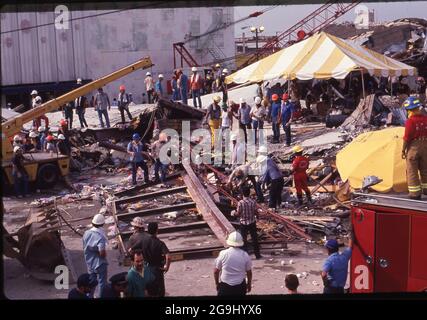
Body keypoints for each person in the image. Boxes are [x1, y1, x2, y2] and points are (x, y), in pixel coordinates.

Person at [401, 96, 427, 199]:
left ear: (409, 110)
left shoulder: (410, 121)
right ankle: (426, 189)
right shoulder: (426, 119)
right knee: (425, 169)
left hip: (413, 147)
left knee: (412, 170)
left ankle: (415, 194)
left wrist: (403, 150)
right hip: (425, 146)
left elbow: (407, 138)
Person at [214, 231, 252, 296]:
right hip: (240, 287)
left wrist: (217, 284)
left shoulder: (223, 253)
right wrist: (248, 284)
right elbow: (249, 272)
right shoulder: (245, 255)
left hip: (225, 286)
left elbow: (216, 271)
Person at [82, 213, 108, 298]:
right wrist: (104, 256)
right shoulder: (100, 237)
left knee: (91, 282)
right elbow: (102, 253)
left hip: (89, 262)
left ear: (93, 223)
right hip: (100, 263)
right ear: (102, 224)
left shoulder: (86, 233)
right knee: (102, 283)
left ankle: (89, 296)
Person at [232, 186, 261, 259]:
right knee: (254, 238)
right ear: (249, 193)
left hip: (243, 223)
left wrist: (233, 213)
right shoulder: (253, 202)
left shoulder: (240, 203)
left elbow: (238, 213)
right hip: (252, 222)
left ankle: (245, 256)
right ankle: (257, 255)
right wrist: (257, 217)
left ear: (242, 193)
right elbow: (256, 212)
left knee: (243, 239)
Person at [142, 222, 171, 297]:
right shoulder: (160, 243)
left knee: (149, 292)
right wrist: (166, 267)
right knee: (159, 292)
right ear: (157, 230)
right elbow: (168, 256)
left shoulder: (144, 241)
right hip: (157, 270)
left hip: (146, 269)